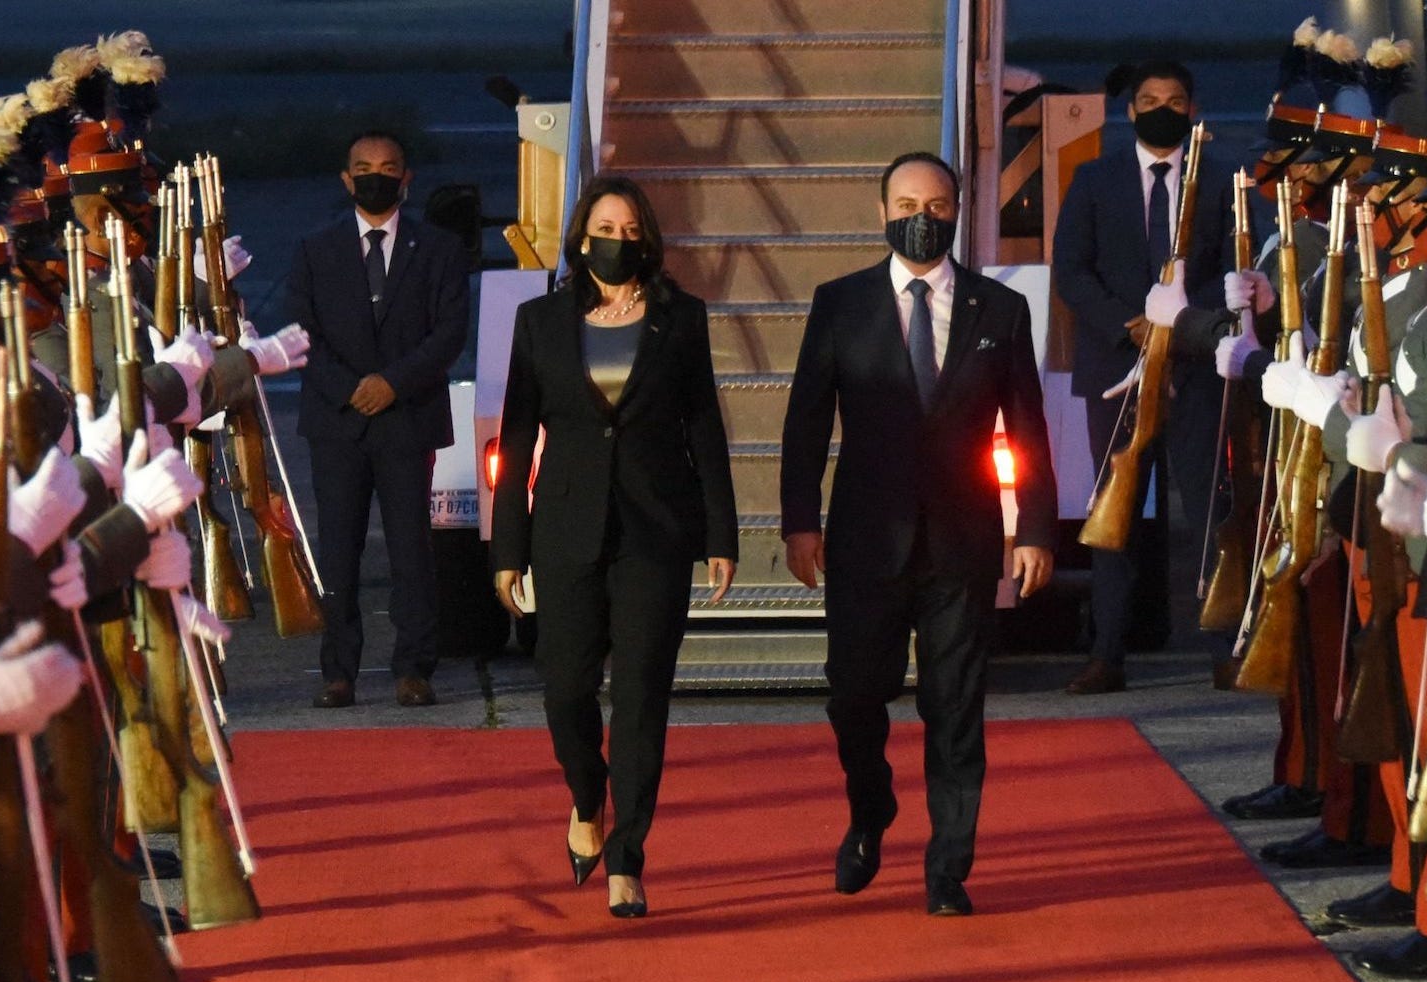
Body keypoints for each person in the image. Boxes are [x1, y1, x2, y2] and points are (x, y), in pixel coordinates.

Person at [780, 151, 1057, 916]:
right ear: (881, 211)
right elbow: (807, 423)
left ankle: (948, 869)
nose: (921, 217)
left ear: (957, 212)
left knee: (955, 706)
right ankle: (871, 810)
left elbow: (1026, 426)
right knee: (855, 698)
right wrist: (800, 522)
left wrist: (1033, 527)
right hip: (865, 541)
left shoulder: (999, 310)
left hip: (962, 542)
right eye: (907, 202)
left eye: (936, 205)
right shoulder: (840, 304)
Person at [489, 175, 738, 918]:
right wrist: (508, 551)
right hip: (563, 531)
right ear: (579, 236)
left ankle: (628, 857)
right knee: (564, 688)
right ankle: (586, 796)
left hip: (655, 534)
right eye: (605, 226)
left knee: (640, 699)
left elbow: (705, 433)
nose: (618, 241)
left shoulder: (681, 319)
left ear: (648, 240)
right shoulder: (538, 323)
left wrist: (720, 534)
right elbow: (519, 436)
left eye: (632, 230)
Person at [1052, 58, 1234, 694]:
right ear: (1130, 111)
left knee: (1212, 513)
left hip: (1197, 372)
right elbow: (1071, 270)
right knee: (1115, 511)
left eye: (1176, 99)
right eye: (1150, 98)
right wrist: (1128, 324)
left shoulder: (1217, 182)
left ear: (1191, 108)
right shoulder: (1094, 179)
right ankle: (1106, 652)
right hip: (1117, 370)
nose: (1163, 108)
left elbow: (1238, 271)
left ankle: (1224, 646)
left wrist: (1181, 320)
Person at [287, 129, 469, 708]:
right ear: (346, 179)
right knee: (338, 550)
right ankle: (338, 671)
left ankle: (413, 668)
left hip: (406, 418)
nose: (375, 176)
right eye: (362, 166)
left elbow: (448, 333)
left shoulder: (437, 249)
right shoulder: (316, 248)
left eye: (388, 167)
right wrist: (352, 388)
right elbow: (302, 334)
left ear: (406, 179)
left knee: (412, 550)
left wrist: (392, 383)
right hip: (337, 423)